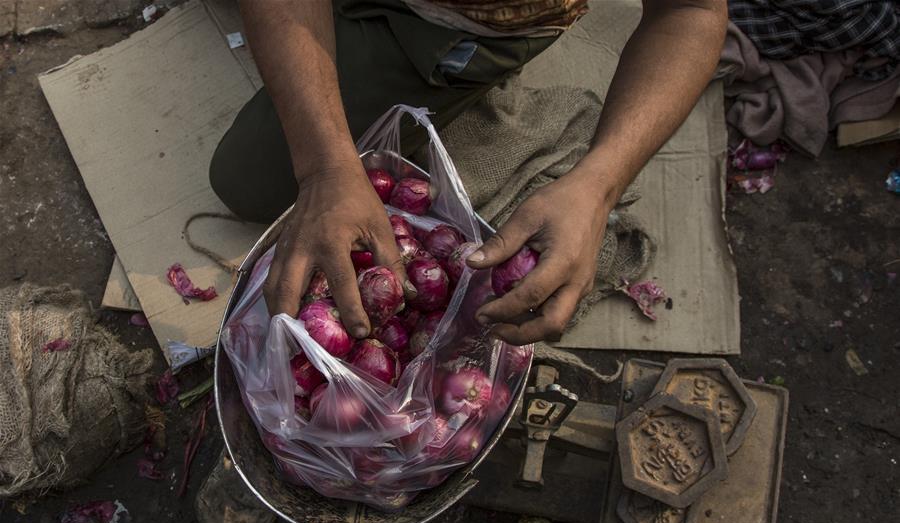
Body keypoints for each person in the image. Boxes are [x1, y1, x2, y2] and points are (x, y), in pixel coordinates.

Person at [209, 0, 727, 348]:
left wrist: (598, 186)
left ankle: (456, 55)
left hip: (447, 15)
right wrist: (324, 166)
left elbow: (692, 10)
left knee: (251, 178)